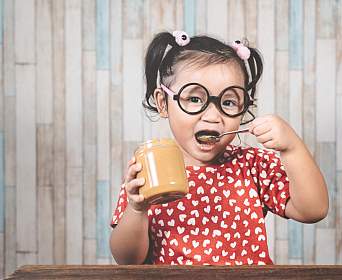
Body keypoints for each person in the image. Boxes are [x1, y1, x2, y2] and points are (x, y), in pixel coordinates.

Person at [109, 31, 328, 265]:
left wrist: (292, 148)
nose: (213, 116)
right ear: (163, 103)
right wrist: (137, 209)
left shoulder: (252, 166)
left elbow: (313, 210)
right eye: (194, 99)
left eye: (228, 102)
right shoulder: (149, 169)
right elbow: (128, 260)